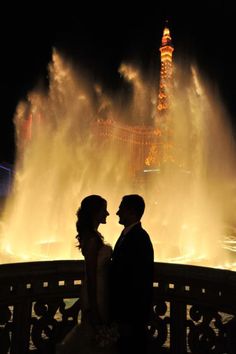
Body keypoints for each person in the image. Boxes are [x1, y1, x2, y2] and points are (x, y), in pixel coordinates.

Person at [57, 195, 118, 354]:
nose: (108, 214)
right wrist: (94, 307)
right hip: (96, 291)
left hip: (101, 287)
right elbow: (91, 275)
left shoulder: (93, 236)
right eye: (104, 210)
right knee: (94, 333)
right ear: (95, 212)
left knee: (96, 335)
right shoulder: (92, 239)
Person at [110, 194, 154, 354]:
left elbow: (140, 278)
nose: (117, 213)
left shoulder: (140, 237)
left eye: (121, 208)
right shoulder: (127, 234)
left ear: (131, 212)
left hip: (131, 312)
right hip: (125, 312)